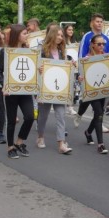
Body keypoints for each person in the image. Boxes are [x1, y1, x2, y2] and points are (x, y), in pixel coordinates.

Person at [0, 24, 35, 159]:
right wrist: (4, 86)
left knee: (30, 117)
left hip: (25, 90)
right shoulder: (5, 51)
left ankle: (20, 142)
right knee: (11, 120)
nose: (27, 36)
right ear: (17, 35)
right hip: (11, 91)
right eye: (24, 33)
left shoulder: (29, 51)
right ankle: (10, 147)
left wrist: (39, 70)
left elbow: (33, 69)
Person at [36, 26, 74, 154]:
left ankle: (61, 143)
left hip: (59, 89)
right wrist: (38, 69)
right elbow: (36, 68)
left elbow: (65, 69)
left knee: (61, 115)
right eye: (58, 35)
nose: (60, 37)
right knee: (43, 115)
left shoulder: (62, 52)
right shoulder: (41, 51)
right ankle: (40, 137)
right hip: (46, 88)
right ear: (52, 35)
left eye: (61, 35)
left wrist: (71, 65)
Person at [75, 34, 109, 154]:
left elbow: (108, 73)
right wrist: (80, 78)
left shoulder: (106, 58)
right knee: (99, 113)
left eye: (104, 44)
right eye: (99, 44)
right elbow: (80, 76)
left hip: (103, 89)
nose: (102, 46)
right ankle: (101, 144)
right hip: (92, 90)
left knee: (99, 114)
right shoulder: (86, 59)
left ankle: (88, 132)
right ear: (92, 44)